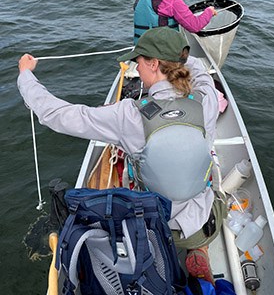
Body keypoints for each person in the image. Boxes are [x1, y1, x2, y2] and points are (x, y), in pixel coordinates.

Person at [18, 27, 226, 283]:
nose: (136, 69)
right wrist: (182, 56)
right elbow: (201, 74)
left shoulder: (129, 114)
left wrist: (25, 76)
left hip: (155, 228)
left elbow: (56, 115)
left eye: (138, 62)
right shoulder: (207, 99)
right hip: (204, 221)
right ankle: (200, 248)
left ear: (154, 63)